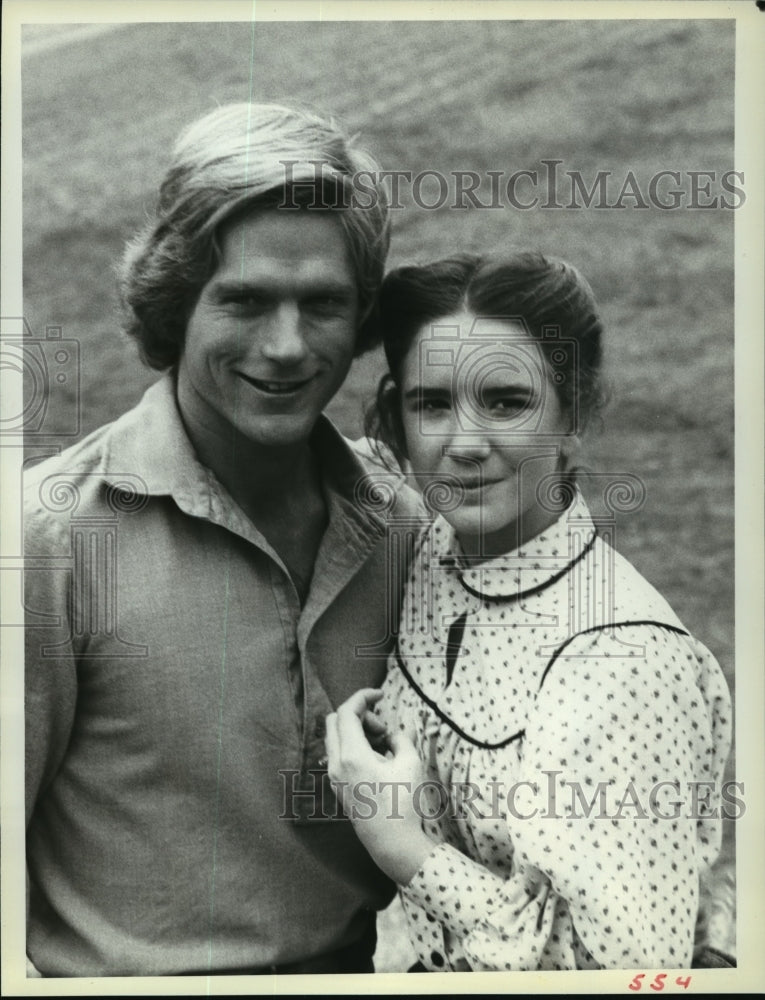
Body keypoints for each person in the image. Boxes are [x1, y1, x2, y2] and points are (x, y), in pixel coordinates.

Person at [23, 102, 425, 977]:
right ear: (175, 303)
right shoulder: (45, 541)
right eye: (243, 300)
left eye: (322, 305)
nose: (285, 348)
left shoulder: (401, 523)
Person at [325, 252, 733, 971]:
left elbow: (635, 975)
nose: (465, 444)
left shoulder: (621, 661)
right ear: (395, 416)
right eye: (431, 404)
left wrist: (405, 847)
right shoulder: (426, 549)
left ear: (572, 414)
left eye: (506, 402)